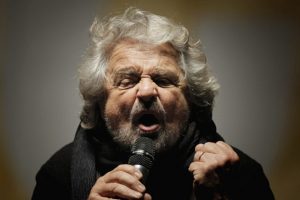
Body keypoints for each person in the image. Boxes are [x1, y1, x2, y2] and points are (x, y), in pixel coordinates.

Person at [32, 7, 274, 200]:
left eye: (163, 79)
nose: (147, 91)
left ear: (191, 98)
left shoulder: (237, 175)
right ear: (100, 99)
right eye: (127, 80)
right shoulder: (59, 175)